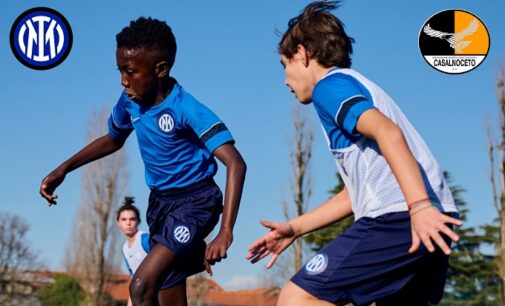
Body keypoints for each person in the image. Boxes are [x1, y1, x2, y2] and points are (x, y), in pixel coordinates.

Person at [246, 2, 461, 306]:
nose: (285, 81)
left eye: (285, 66)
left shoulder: (329, 87)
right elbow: (357, 194)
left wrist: (419, 207)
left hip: (400, 218)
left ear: (302, 53)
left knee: (297, 298)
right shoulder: (356, 86)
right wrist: (296, 228)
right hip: (434, 217)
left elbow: (388, 133)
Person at [40, 17, 246, 306]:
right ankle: (191, 256)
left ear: (160, 69)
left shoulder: (186, 108)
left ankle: (190, 250)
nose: (124, 81)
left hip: (195, 202)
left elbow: (236, 163)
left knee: (140, 287)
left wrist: (226, 231)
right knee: (166, 297)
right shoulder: (130, 101)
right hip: (159, 205)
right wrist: (63, 169)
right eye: (120, 71)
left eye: (131, 71)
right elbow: (113, 139)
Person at [117, 197, 150, 306]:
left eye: (132, 219)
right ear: (118, 223)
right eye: (124, 219)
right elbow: (133, 279)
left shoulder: (145, 240)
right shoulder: (124, 248)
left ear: (139, 221)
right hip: (141, 295)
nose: (128, 223)